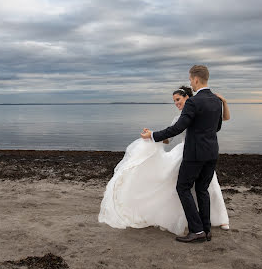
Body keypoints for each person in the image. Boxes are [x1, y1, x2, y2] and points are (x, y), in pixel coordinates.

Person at [98, 66, 230, 239]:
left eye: (191, 79)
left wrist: (152, 135)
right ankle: (206, 230)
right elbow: (217, 127)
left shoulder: (193, 102)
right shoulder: (215, 100)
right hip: (212, 152)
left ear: (196, 79)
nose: (191, 82)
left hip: (194, 154)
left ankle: (196, 230)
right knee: (202, 189)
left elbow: (178, 128)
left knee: (182, 188)